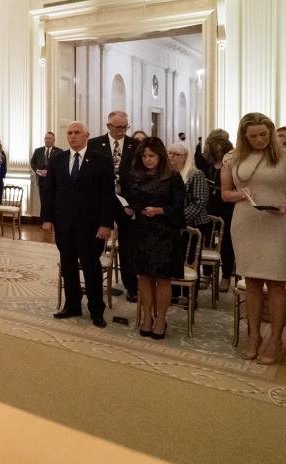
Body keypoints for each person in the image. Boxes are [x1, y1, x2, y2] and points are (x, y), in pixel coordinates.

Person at [221, 113, 286, 364]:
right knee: (253, 283)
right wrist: (240, 195)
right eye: (253, 136)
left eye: (263, 135)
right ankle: (253, 335)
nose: (259, 140)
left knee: (278, 285)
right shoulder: (233, 158)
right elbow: (226, 194)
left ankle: (275, 338)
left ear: (270, 133)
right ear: (243, 136)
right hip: (247, 222)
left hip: (278, 225)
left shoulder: (282, 156)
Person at [41, 121, 116, 328]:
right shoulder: (57, 159)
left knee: (92, 269)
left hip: (91, 227)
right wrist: (47, 218)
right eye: (70, 133)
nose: (72, 136)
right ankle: (72, 305)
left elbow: (107, 196)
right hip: (64, 225)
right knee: (68, 267)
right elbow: (49, 191)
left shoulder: (102, 161)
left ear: (87, 136)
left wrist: (105, 224)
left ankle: (96, 310)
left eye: (77, 133)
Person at [122, 138, 186, 340]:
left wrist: (160, 210)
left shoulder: (172, 176)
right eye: (144, 156)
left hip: (164, 233)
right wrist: (128, 207)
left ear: (160, 156)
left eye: (152, 156)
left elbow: (179, 208)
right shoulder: (135, 176)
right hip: (140, 231)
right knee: (143, 277)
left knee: (162, 279)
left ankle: (161, 320)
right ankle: (147, 317)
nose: (148, 160)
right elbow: (131, 199)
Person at [88, 110, 139, 301]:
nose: (121, 131)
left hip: (127, 205)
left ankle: (131, 287)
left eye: (124, 127)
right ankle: (95, 285)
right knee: (96, 246)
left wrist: (133, 203)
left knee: (128, 247)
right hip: (102, 203)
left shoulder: (135, 145)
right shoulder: (94, 145)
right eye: (117, 127)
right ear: (108, 126)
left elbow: (139, 177)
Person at [202, 129, 235, 291]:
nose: (219, 147)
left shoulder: (232, 161)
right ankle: (207, 274)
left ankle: (226, 275)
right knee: (206, 240)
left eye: (222, 142)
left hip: (227, 206)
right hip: (209, 205)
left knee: (227, 241)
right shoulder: (205, 162)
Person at [167, 143, 212, 246]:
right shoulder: (168, 174)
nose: (171, 156)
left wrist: (180, 218)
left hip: (194, 223)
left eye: (176, 154)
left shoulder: (195, 174)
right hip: (173, 223)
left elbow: (199, 202)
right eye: (170, 153)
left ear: (185, 157)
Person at [29, 131, 60, 199]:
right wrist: (37, 171)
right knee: (43, 201)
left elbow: (61, 165)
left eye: (49, 138)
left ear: (54, 140)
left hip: (54, 182)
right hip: (42, 181)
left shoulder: (59, 151)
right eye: (46, 138)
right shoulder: (38, 151)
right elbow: (32, 163)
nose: (47, 140)